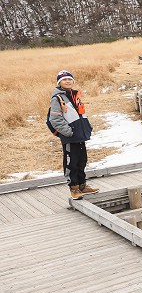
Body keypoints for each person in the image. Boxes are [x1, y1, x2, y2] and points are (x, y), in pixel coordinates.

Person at [48, 70, 98, 200]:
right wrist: (68, 132)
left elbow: (81, 114)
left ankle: (82, 185)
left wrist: (87, 127)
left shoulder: (75, 95)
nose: (68, 81)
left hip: (80, 135)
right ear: (59, 82)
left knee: (82, 160)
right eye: (64, 80)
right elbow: (55, 119)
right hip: (70, 136)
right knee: (72, 162)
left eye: (70, 79)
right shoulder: (57, 98)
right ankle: (74, 188)